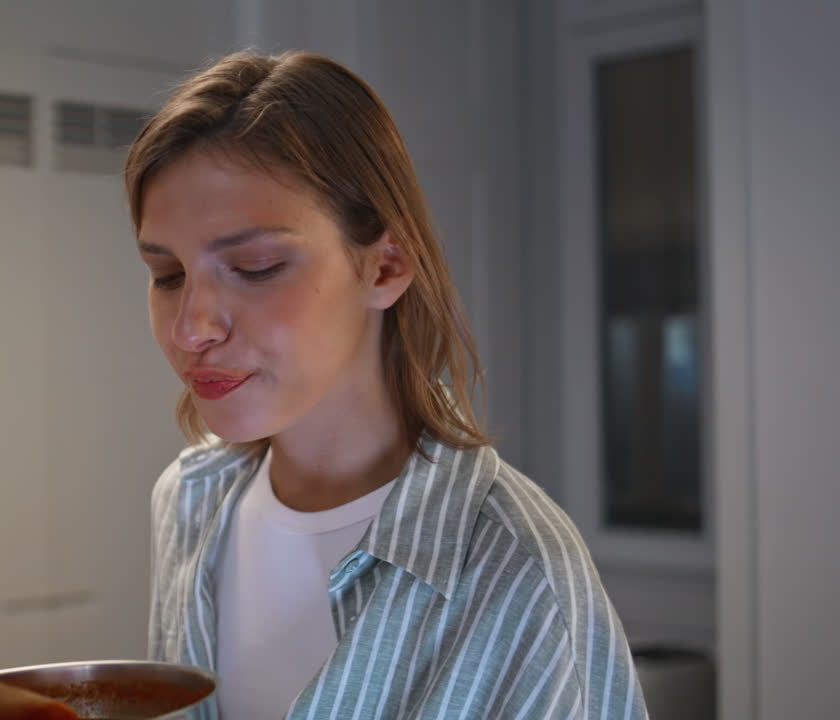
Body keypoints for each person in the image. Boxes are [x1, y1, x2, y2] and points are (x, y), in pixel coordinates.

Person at [125, 51, 647, 719]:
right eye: (167, 276)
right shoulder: (188, 503)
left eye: (255, 267)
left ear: (385, 267)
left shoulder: (519, 572)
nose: (192, 327)